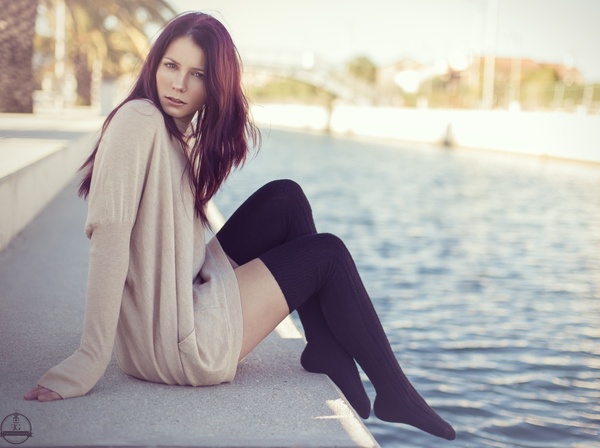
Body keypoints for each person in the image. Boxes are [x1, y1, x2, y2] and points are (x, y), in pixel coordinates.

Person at [24, 12, 455, 441]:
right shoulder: (138, 120)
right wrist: (89, 357)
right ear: (154, 64)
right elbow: (110, 236)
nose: (179, 84)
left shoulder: (178, 134)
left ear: (214, 87)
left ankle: (324, 346)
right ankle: (395, 392)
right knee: (328, 255)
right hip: (180, 345)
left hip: (179, 300)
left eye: (197, 75)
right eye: (171, 66)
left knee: (285, 199)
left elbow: (176, 240)